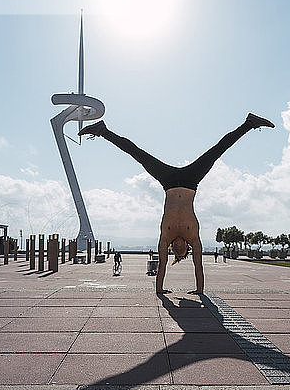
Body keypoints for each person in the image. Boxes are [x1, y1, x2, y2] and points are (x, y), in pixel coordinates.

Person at [79, 113, 274, 294]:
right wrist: (200, 290)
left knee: (137, 154)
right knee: (217, 150)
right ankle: (250, 123)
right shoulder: (194, 238)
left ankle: (102, 131)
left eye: (176, 252)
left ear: (172, 248)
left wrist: (159, 290)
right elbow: (199, 265)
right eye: (182, 252)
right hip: (191, 180)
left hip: (168, 181)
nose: (178, 250)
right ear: (187, 249)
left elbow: (162, 265)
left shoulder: (166, 237)